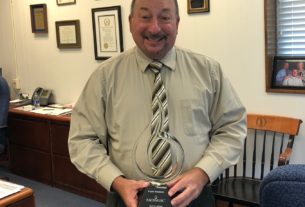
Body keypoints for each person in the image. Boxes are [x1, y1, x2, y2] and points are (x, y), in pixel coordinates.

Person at [68, 0, 247, 206]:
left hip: (193, 197)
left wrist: (203, 172)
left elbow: (232, 128)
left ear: (177, 23)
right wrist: (116, 181)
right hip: (127, 198)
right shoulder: (105, 77)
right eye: (145, 17)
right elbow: (82, 139)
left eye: (164, 17)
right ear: (130, 22)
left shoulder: (209, 72)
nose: (154, 28)